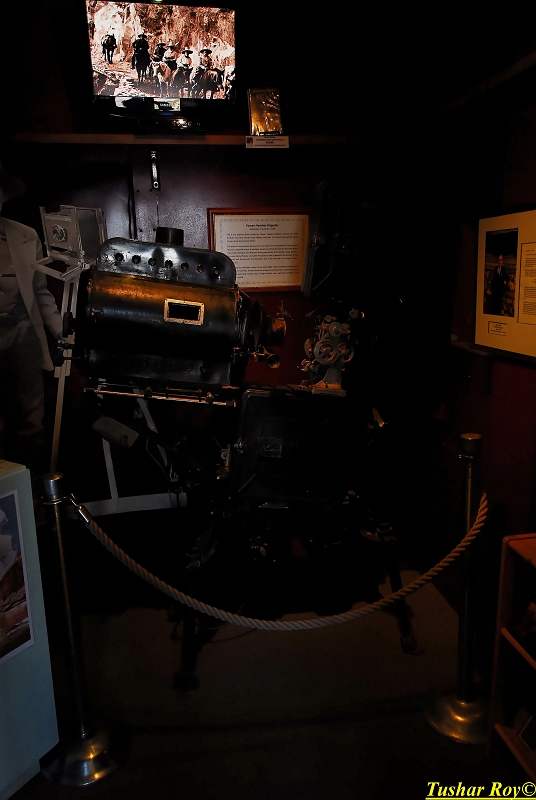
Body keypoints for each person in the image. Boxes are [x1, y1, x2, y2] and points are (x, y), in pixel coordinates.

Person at [0, 161, 63, 472]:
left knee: (31, 420)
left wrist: (63, 333)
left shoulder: (24, 236)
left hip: (22, 333)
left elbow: (40, 292)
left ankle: (33, 488)